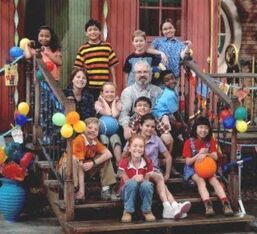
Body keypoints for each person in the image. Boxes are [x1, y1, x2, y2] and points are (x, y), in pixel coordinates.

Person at [124, 114, 191, 219]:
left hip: (153, 169)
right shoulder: (135, 139)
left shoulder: (156, 140)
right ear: (141, 126)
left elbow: (168, 157)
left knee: (159, 177)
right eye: (147, 126)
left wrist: (168, 174)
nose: (150, 129)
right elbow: (124, 156)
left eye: (152, 127)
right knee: (159, 178)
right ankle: (172, 205)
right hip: (138, 170)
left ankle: (170, 207)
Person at [182, 116, 233, 216]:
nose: (203, 130)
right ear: (196, 129)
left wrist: (206, 154)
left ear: (209, 130)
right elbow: (188, 162)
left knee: (214, 181)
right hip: (193, 169)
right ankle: (208, 205)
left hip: (208, 168)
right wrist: (198, 155)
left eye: (206, 128)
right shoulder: (189, 142)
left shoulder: (210, 141)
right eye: (201, 127)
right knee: (200, 181)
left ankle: (225, 203)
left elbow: (215, 156)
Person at [59, 117, 118, 203]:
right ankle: (75, 190)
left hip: (84, 167)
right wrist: (82, 191)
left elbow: (109, 154)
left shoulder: (94, 141)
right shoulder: (79, 140)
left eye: (96, 129)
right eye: (90, 128)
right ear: (83, 129)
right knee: (74, 159)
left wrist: (93, 163)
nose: (93, 131)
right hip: (68, 168)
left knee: (105, 158)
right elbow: (80, 166)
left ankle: (106, 189)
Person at [73, 19, 119, 100]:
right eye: (90, 30)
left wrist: (114, 81)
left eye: (95, 29)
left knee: (102, 106)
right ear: (86, 33)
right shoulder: (83, 48)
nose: (93, 32)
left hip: (104, 86)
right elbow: (78, 68)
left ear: (100, 32)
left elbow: (112, 65)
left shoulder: (107, 46)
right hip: (89, 85)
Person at [119, 60, 162, 140]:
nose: (142, 75)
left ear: (150, 74)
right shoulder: (128, 92)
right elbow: (124, 112)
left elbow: (162, 110)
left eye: (145, 72)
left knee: (166, 138)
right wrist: (126, 127)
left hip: (154, 125)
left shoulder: (158, 91)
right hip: (134, 125)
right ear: (134, 75)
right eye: (139, 72)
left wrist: (164, 118)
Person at [118, 134, 156, 223]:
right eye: (135, 146)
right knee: (131, 183)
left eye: (141, 146)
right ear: (129, 148)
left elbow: (147, 181)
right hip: (127, 192)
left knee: (147, 184)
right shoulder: (124, 162)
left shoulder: (147, 162)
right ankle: (128, 211)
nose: (138, 149)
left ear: (144, 149)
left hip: (140, 193)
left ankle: (146, 211)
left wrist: (142, 179)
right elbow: (125, 181)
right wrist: (134, 178)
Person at [152, 70, 188, 142]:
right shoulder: (170, 94)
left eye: (172, 78)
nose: (171, 81)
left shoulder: (168, 91)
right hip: (160, 117)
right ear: (163, 83)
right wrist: (183, 124)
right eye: (167, 80)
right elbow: (176, 113)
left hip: (161, 115)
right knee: (179, 125)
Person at [95, 82, 122, 164]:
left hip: (115, 131)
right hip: (102, 132)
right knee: (104, 139)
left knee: (115, 139)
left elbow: (114, 114)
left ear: (116, 93)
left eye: (112, 92)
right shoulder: (97, 103)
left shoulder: (118, 103)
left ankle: (119, 164)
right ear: (101, 93)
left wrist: (114, 102)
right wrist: (103, 100)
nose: (110, 94)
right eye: (107, 92)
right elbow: (108, 113)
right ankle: (106, 164)